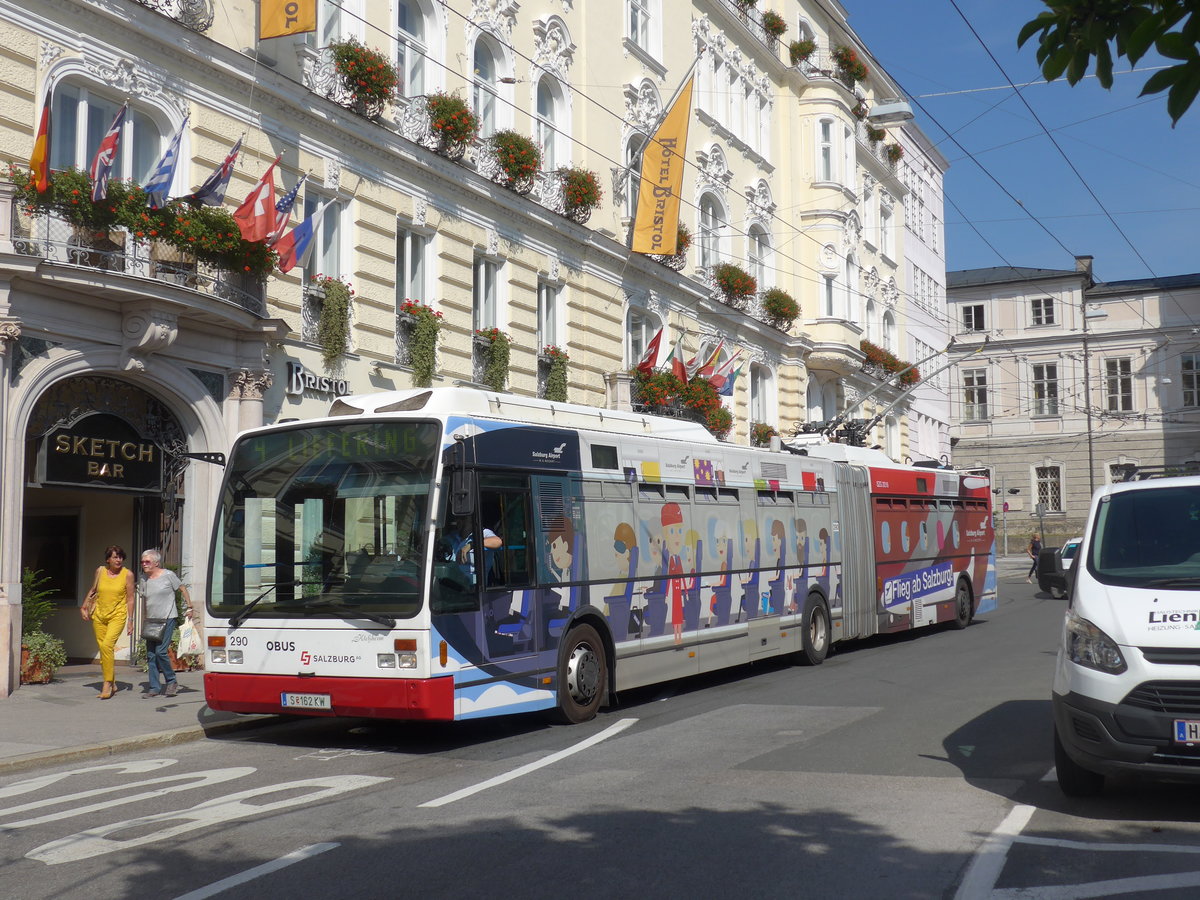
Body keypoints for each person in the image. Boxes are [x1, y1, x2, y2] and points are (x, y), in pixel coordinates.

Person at [81, 545, 135, 699]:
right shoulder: (100, 571)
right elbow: (93, 590)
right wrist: (84, 606)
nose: (118, 560)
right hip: (99, 615)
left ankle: (107, 683)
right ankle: (113, 682)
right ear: (108, 559)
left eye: (120, 557)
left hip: (117, 616)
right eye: (114, 557)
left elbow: (130, 599)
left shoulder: (127, 574)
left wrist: (130, 620)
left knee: (107, 645)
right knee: (105, 649)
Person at [138, 548, 193, 698]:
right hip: (151, 621)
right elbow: (144, 601)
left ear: (156, 562)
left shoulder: (168, 575)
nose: (144, 564)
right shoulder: (143, 578)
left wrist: (189, 607)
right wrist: (144, 620)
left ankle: (171, 681)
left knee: (160, 652)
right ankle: (154, 687)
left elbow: (182, 589)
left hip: (168, 618)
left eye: (147, 561)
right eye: (142, 561)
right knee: (151, 655)